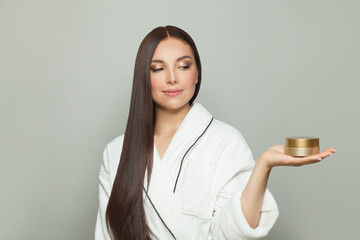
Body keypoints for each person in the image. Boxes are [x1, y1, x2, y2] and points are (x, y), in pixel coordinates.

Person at [94, 25, 336, 240]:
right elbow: (106, 234)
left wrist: (264, 165)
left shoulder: (225, 142)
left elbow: (235, 231)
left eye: (183, 66)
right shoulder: (116, 152)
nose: (172, 78)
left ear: (197, 73)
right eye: (158, 69)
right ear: (143, 78)